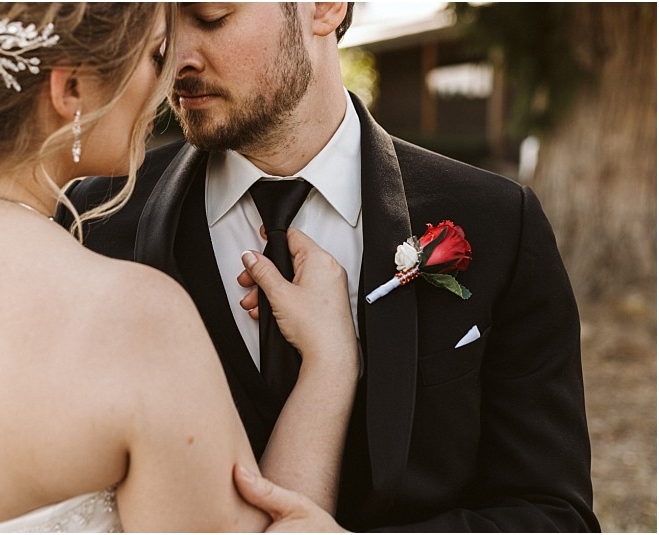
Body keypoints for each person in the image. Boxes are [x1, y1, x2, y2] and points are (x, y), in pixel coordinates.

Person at [60, 2, 601, 531]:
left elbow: (552, 514)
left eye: (210, 19)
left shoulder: (499, 222)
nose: (175, 60)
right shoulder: (94, 220)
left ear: (325, 9)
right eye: (161, 24)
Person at [0, 3, 361, 532]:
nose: (167, 78)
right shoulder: (134, 319)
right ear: (71, 88)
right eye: (154, 54)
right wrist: (330, 364)